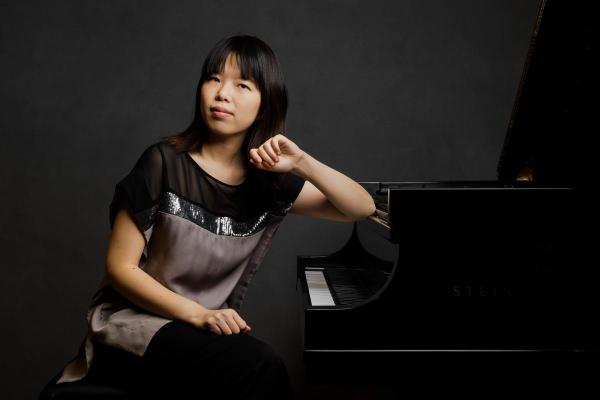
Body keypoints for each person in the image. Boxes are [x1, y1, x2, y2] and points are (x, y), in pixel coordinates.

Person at [41, 34, 375, 399]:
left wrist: (302, 163)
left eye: (242, 84)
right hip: (130, 328)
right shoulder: (162, 162)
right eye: (213, 78)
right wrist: (199, 313)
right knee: (260, 365)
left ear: (265, 105)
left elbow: (361, 207)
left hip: (197, 336)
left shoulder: (269, 184)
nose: (222, 93)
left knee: (247, 371)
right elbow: (119, 268)